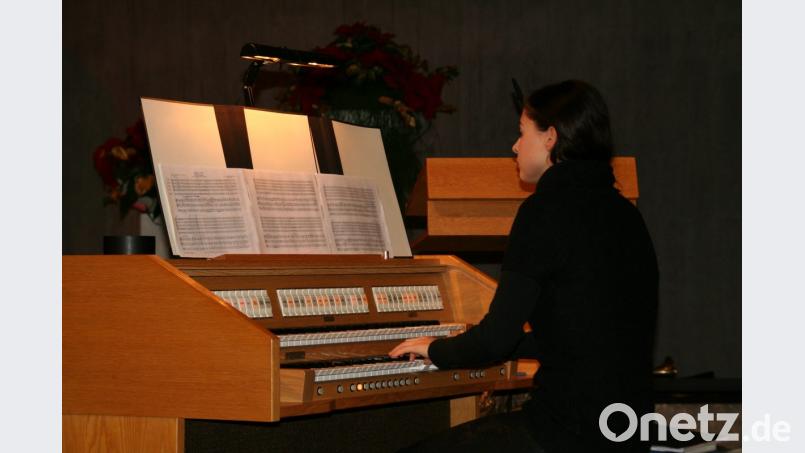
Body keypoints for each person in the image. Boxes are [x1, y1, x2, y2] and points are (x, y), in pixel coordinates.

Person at [389, 80, 658, 453]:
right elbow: (591, 333)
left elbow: (494, 339)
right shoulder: (626, 214)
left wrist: (436, 350)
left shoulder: (542, 211)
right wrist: (510, 345)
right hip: (628, 429)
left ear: (551, 137)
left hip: (566, 431)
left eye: (522, 133)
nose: (515, 146)